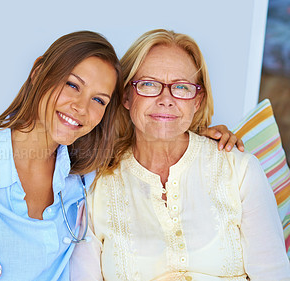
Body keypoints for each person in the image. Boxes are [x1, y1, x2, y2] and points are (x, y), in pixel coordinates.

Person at [0, 30, 240, 281]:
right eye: (73, 85)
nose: (80, 107)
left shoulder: (89, 174)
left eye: (99, 100)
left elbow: (154, 135)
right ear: (39, 70)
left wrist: (203, 134)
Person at [70, 29, 290, 281]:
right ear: (126, 96)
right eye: (149, 84)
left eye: (182, 87)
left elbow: (273, 274)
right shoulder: (94, 187)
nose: (166, 99)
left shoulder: (239, 169)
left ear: (197, 101)